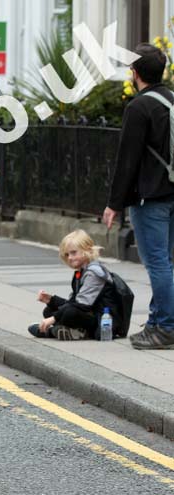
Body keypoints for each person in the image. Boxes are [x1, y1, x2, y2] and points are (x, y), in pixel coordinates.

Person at [103, 42, 174, 350]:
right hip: (172, 195)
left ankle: (167, 328)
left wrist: (114, 204)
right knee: (168, 262)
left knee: (157, 263)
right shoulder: (171, 100)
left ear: (134, 72)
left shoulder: (139, 107)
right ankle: (159, 322)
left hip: (150, 198)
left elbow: (127, 160)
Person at [28, 230, 123, 340]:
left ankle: (53, 331)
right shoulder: (81, 271)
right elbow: (73, 301)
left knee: (68, 313)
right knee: (49, 311)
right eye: (67, 254)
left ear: (86, 250)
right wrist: (51, 300)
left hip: (103, 322)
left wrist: (53, 319)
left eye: (73, 253)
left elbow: (81, 305)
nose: (69, 257)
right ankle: (69, 331)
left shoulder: (94, 273)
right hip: (90, 313)